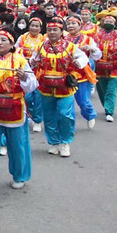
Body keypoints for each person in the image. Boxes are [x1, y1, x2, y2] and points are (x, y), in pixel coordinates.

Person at [0, 29, 37, 195]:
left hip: (15, 109)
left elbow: (32, 84)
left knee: (18, 146)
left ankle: (20, 176)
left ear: (12, 44)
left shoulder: (20, 61)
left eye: (4, 40)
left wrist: (25, 78)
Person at [33, 20, 89, 158]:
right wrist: (33, 62)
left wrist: (78, 62)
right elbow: (33, 61)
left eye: (55, 30)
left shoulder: (69, 47)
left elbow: (83, 59)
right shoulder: (41, 46)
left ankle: (65, 142)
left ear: (61, 32)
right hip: (45, 87)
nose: (52, 32)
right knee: (49, 116)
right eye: (50, 30)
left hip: (64, 88)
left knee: (65, 114)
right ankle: (53, 142)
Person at [92, 12, 117, 122]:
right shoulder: (96, 36)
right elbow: (93, 50)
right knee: (101, 90)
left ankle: (109, 111)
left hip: (115, 68)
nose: (108, 23)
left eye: (111, 22)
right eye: (107, 21)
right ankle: (106, 105)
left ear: (115, 24)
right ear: (102, 23)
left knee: (111, 90)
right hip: (100, 67)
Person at [64, 16, 101, 130]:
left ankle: (90, 115)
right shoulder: (63, 39)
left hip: (82, 74)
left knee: (83, 101)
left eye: (73, 23)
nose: (70, 26)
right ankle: (69, 127)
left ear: (79, 26)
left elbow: (97, 55)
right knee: (66, 104)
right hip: (66, 74)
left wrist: (91, 48)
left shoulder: (88, 39)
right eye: (69, 24)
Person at [15, 17, 46, 135]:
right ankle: (31, 115)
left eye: (37, 26)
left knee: (38, 97)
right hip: (25, 69)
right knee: (27, 97)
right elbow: (16, 50)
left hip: (39, 71)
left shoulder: (44, 39)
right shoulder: (22, 38)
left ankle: (38, 120)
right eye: (32, 25)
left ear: (40, 28)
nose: (34, 28)